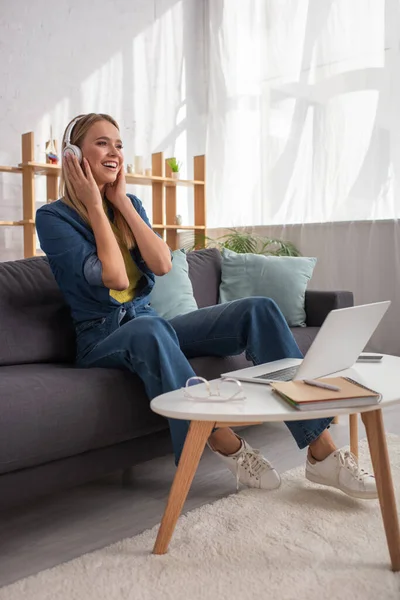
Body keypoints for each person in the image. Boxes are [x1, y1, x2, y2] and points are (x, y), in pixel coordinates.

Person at [35, 113, 376, 500]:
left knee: (257, 309)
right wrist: (96, 207)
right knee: (150, 329)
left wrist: (122, 205)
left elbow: (162, 265)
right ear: (73, 155)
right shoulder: (52, 218)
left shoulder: (128, 204)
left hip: (150, 323)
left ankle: (322, 452)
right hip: (101, 338)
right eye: (101, 143)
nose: (114, 152)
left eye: (119, 144)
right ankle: (225, 442)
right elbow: (113, 276)